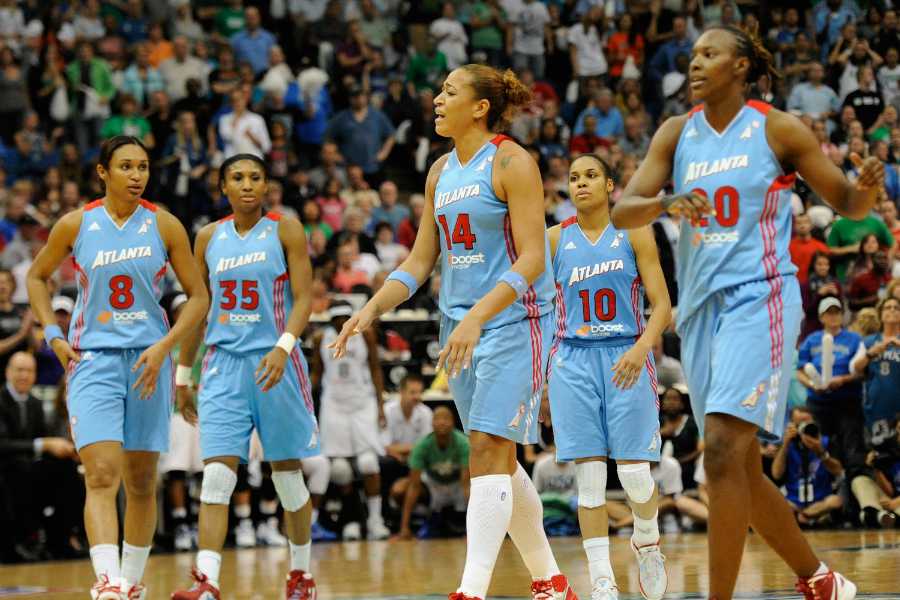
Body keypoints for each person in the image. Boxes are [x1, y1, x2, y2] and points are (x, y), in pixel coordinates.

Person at [610, 25, 884, 600]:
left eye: (710, 54)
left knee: (722, 452)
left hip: (760, 297)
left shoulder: (776, 127)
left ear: (741, 66)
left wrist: (864, 189)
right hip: (703, 310)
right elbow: (622, 210)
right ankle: (820, 579)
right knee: (738, 468)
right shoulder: (675, 133)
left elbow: (847, 203)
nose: (696, 63)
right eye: (693, 56)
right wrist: (666, 202)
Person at [328, 65, 577, 600]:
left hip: (516, 318)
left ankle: (470, 590)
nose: (437, 99)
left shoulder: (513, 162)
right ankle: (551, 582)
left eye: (449, 91)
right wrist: (368, 309)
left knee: (485, 447)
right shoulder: (440, 169)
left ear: (480, 107)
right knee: (499, 461)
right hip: (459, 321)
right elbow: (420, 262)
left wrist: (478, 316)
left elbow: (534, 257)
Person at [25, 136, 209, 599]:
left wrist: (165, 346)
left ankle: (132, 581)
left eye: (143, 166)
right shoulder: (76, 224)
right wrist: (53, 334)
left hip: (150, 361)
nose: (136, 174)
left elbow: (200, 297)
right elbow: (35, 277)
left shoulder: (164, 225)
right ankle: (106, 582)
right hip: (94, 361)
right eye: (125, 166)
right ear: (103, 172)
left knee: (143, 482)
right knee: (102, 474)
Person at [168, 154, 320, 600]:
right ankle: (208, 581)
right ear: (223, 187)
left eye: (255, 177)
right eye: (238, 178)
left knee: (287, 477)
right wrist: (182, 375)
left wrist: (283, 347)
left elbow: (304, 298)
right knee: (216, 477)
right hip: (222, 366)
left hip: (276, 362)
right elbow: (198, 310)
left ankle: (300, 575)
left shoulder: (286, 228)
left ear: (267, 185)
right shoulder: (208, 237)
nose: (247, 184)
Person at [546, 154, 670, 600]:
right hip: (573, 359)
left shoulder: (634, 230)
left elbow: (662, 304)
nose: (581, 183)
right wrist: (543, 373)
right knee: (590, 480)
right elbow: (539, 306)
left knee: (636, 475)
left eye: (590, 175)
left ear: (610, 185)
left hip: (626, 354)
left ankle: (648, 541)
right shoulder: (555, 239)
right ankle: (601, 577)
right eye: (574, 177)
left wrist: (641, 348)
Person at [310, 303, 390, 541]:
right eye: (337, 317)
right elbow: (317, 372)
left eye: (345, 317)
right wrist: (307, 406)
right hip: (334, 404)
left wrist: (381, 405)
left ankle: (376, 521)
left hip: (361, 403)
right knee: (339, 469)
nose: (341, 321)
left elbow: (375, 369)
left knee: (368, 464)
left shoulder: (365, 335)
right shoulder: (320, 338)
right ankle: (351, 520)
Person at [850, 296, 900, 527]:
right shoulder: (870, 340)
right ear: (880, 315)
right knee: (877, 461)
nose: (891, 311)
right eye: (887, 308)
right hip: (875, 416)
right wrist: (872, 352)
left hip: (897, 417)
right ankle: (884, 508)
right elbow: (855, 368)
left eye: (896, 307)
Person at [393, 405, 470, 540]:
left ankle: (470, 527)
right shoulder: (422, 446)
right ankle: (416, 522)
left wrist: (472, 531)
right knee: (399, 489)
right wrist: (403, 528)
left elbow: (466, 483)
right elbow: (414, 486)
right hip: (433, 486)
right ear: (432, 423)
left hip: (457, 486)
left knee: (476, 488)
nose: (442, 422)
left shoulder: (464, 443)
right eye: (438, 419)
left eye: (446, 418)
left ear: (453, 422)